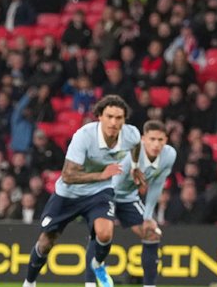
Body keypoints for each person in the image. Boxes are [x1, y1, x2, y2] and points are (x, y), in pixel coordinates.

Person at [22, 95, 141, 287]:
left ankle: (98, 265)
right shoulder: (84, 136)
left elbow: (136, 146)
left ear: (124, 120)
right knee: (46, 242)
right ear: (99, 117)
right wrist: (101, 175)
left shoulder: (131, 134)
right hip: (69, 194)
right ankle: (29, 282)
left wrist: (134, 167)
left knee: (104, 233)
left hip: (100, 192)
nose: (114, 122)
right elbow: (68, 175)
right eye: (109, 116)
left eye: (119, 118)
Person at [91, 120, 175, 287]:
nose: (156, 144)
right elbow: (113, 184)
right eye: (152, 139)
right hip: (106, 193)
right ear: (143, 139)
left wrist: (148, 217)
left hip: (128, 198)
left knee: (151, 233)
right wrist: (106, 212)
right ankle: (96, 268)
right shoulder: (131, 156)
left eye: (160, 140)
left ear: (166, 140)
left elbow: (157, 185)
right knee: (101, 233)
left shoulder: (169, 155)